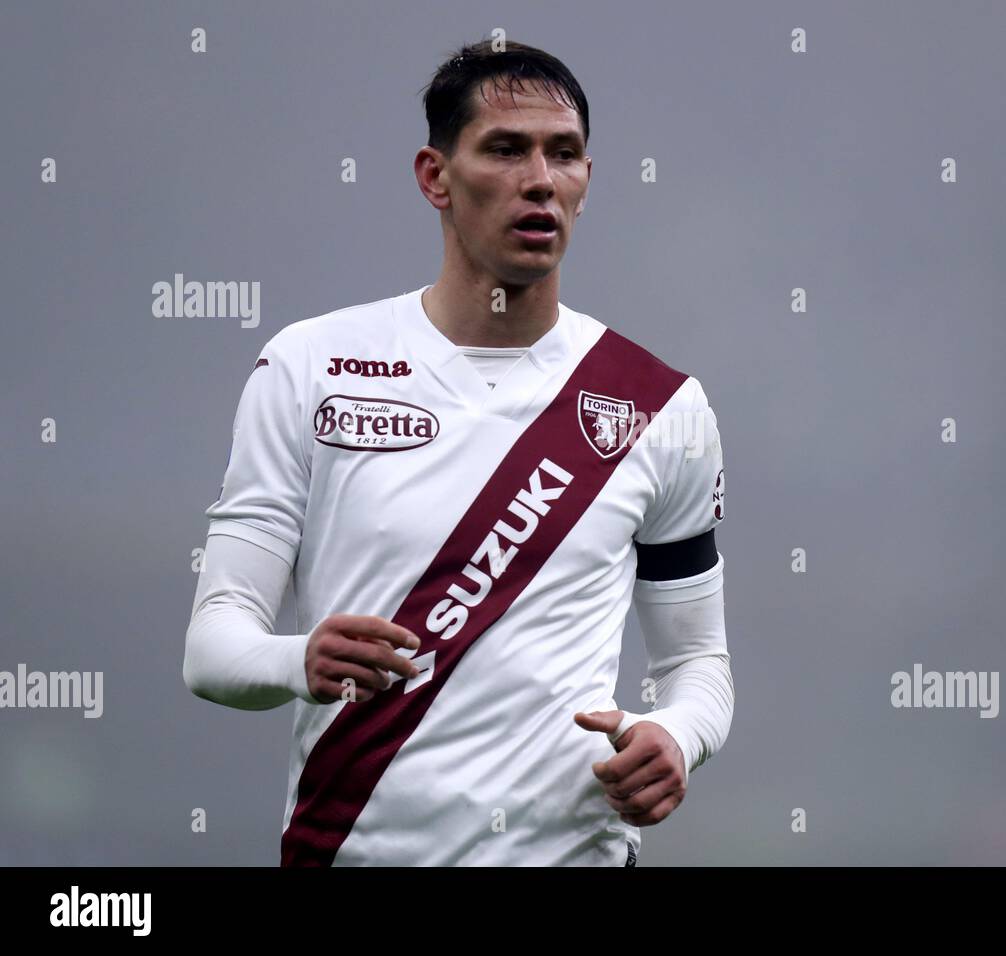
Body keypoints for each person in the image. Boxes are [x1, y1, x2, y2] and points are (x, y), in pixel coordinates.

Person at [183, 39, 733, 867]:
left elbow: (697, 663)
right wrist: (300, 659)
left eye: (566, 154)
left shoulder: (660, 406)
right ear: (435, 176)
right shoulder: (310, 366)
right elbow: (214, 647)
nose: (541, 179)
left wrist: (674, 735)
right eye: (506, 150)